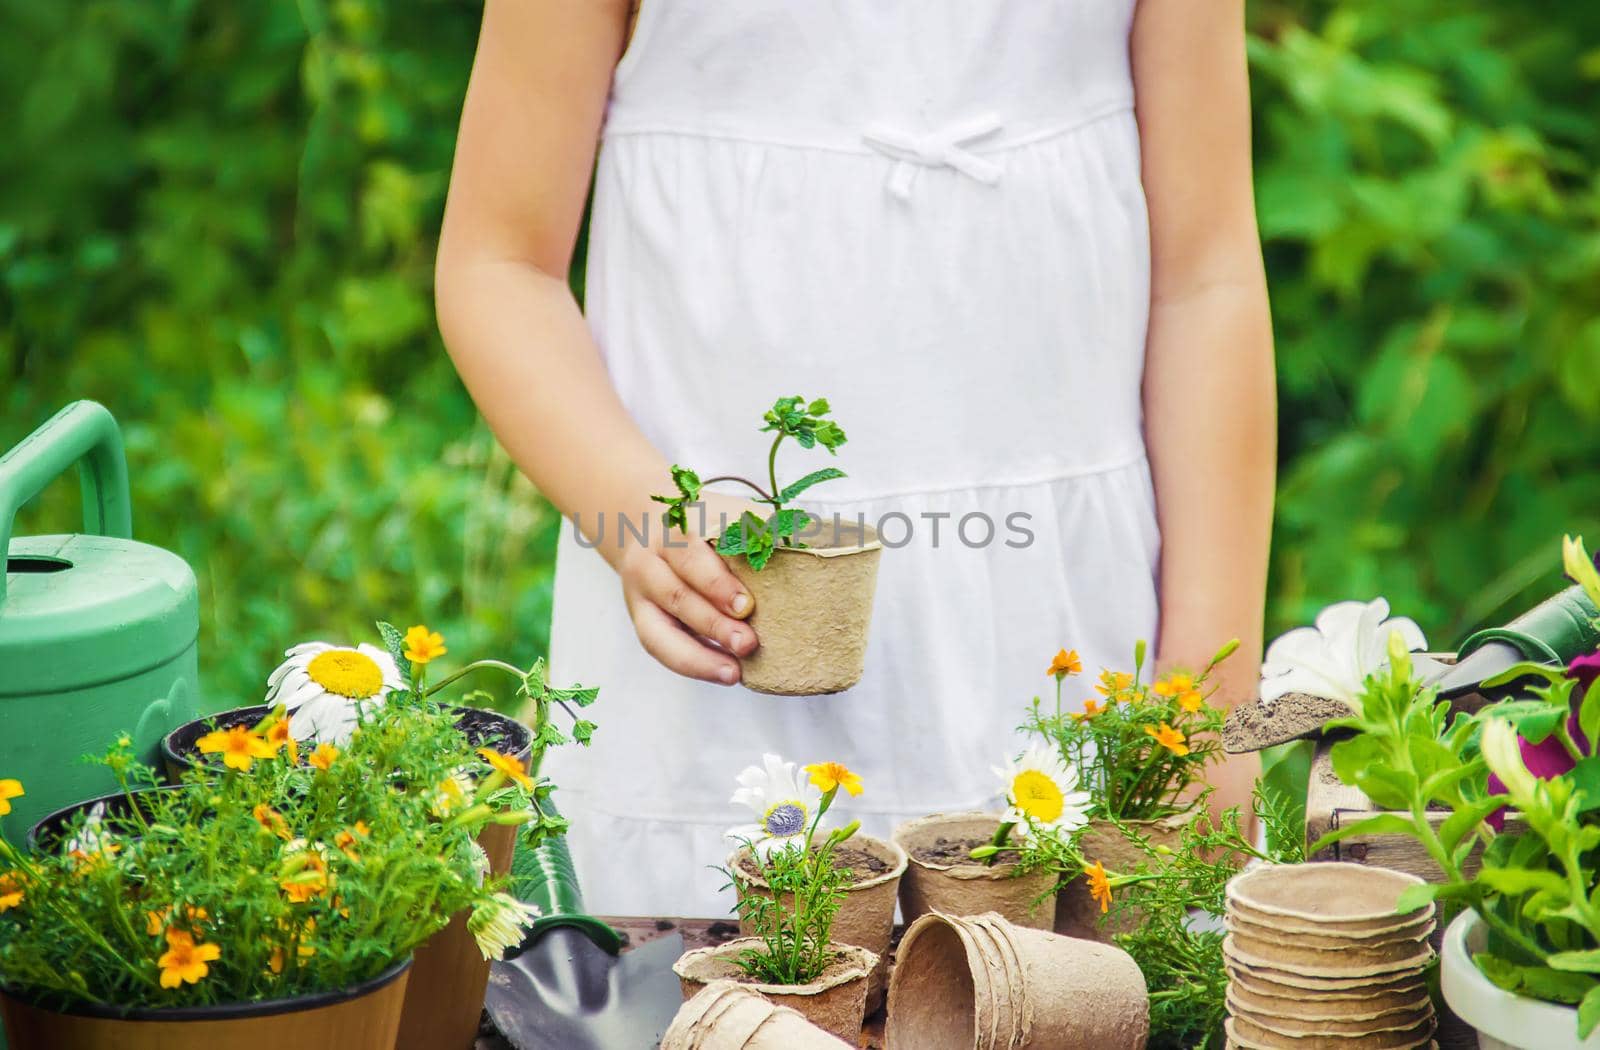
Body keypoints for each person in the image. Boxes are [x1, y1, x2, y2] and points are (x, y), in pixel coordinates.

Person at [435, 0, 1275, 917]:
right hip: (730, 660)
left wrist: (1214, 708)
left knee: (1078, 990)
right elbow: (499, 262)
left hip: (1070, 644)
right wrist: (639, 516)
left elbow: (1207, 280)